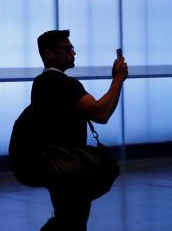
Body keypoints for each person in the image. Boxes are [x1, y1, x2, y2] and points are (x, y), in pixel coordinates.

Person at [33, 29, 128, 231]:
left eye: (72, 48)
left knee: (66, 218)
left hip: (54, 163)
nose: (73, 52)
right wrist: (118, 79)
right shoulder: (63, 83)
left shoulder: (40, 82)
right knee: (73, 220)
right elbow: (101, 113)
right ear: (49, 53)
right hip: (69, 164)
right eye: (67, 48)